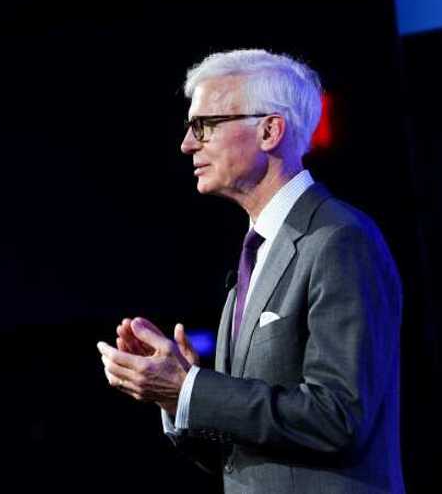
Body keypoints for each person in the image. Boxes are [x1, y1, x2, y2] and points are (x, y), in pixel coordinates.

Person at [97, 49, 404, 493]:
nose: (187, 143)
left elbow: (339, 418)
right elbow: (244, 456)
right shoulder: (256, 253)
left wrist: (194, 388)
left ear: (269, 130)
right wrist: (176, 394)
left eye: (204, 125)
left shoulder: (338, 239)